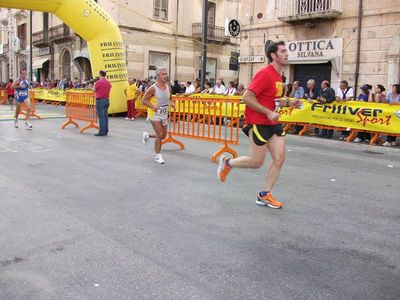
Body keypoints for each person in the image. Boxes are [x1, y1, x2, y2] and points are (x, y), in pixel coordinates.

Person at [217, 41, 302, 209]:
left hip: (273, 123)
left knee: (279, 158)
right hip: (258, 123)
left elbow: (273, 100)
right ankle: (227, 163)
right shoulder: (264, 73)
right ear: (273, 55)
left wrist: (288, 103)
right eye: (283, 51)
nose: (287, 54)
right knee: (257, 162)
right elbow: (246, 97)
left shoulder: (279, 76)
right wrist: (268, 112)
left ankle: (264, 195)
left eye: (287, 51)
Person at [141, 67, 175, 164]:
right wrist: (152, 106)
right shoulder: (152, 88)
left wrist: (171, 103)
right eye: (163, 74)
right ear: (157, 76)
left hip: (164, 114)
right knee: (159, 135)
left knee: (163, 136)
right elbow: (144, 100)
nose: (165, 76)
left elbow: (170, 98)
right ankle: (158, 156)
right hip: (154, 114)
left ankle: (147, 135)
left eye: (166, 74)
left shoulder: (168, 87)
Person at [93, 70, 112, 136]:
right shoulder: (108, 82)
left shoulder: (98, 82)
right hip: (107, 99)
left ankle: (102, 131)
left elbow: (94, 90)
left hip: (100, 100)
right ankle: (106, 130)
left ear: (100, 74)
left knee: (101, 116)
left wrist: (94, 84)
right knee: (105, 116)